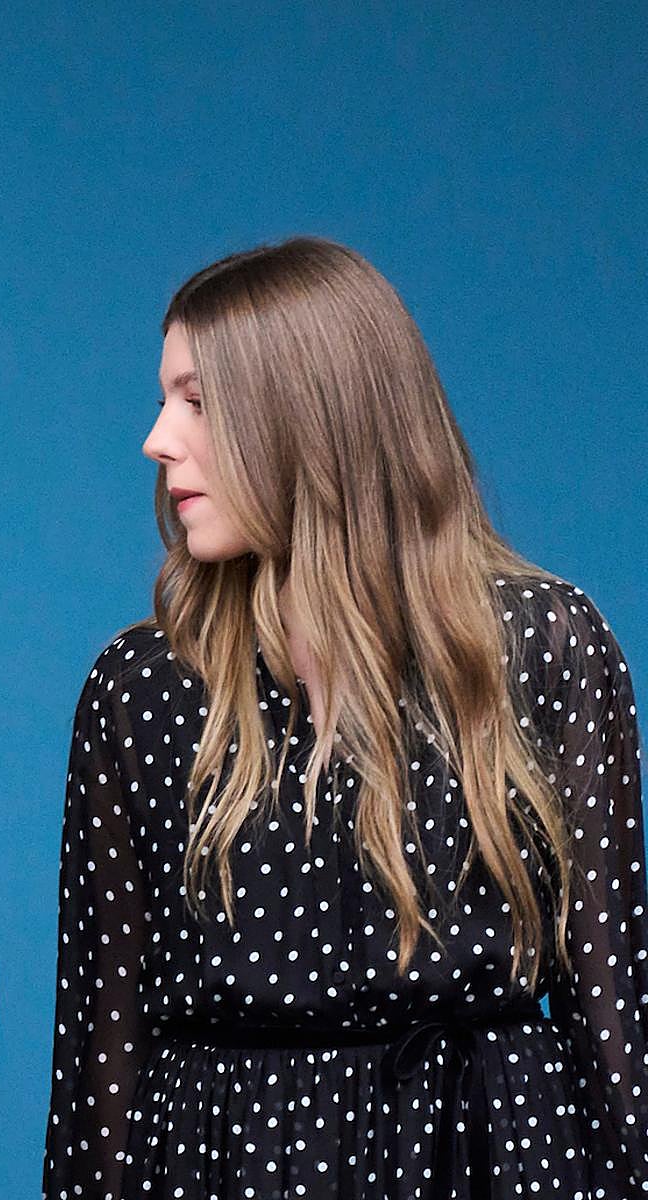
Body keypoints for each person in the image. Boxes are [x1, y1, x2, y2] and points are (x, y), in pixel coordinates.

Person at [43, 238, 646, 1199]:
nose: (157, 440)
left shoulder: (543, 645)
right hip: (226, 1169)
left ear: (309, 414)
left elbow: (614, 1008)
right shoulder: (144, 685)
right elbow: (101, 1050)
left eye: (195, 401)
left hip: (495, 1158)